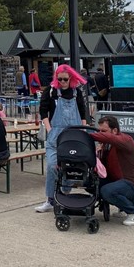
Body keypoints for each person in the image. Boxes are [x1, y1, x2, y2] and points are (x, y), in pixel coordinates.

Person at [35, 64, 88, 213]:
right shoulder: (51, 92)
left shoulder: (76, 92)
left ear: (70, 78)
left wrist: (83, 129)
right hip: (55, 135)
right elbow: (43, 112)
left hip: (74, 135)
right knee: (52, 166)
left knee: (71, 166)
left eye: (65, 79)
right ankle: (50, 200)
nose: (62, 82)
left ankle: (64, 194)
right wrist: (49, 129)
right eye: (60, 79)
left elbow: (83, 113)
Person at [90, 116, 134, 226]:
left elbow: (111, 139)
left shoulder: (126, 140)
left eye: (104, 131)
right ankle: (122, 207)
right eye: (100, 131)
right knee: (92, 182)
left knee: (107, 191)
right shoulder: (107, 145)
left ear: (115, 130)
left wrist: (87, 136)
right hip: (119, 181)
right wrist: (98, 153)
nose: (101, 134)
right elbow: (103, 168)